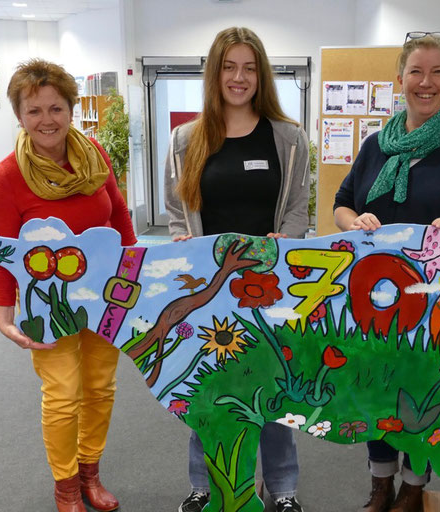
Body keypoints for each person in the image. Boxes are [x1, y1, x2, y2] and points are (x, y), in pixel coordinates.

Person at [334, 33, 440, 512]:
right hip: (377, 297)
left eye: (436, 72)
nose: (425, 83)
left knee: (427, 390)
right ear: (400, 79)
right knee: (379, 388)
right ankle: (380, 482)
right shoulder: (376, 146)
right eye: (416, 72)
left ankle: (414, 483)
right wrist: (358, 221)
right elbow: (341, 206)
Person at [163, 27, 309, 512]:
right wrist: (185, 243)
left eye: (249, 68)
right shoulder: (187, 139)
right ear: (215, 73)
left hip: (271, 285)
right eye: (229, 67)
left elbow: (297, 208)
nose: (239, 77)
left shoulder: (287, 137)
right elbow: (176, 209)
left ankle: (283, 489)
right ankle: (205, 486)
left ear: (261, 74)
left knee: (276, 389)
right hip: (209, 289)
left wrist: (284, 244)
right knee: (208, 391)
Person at [0, 58, 136, 512]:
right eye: (34, 111)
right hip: (45, 305)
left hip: (104, 294)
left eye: (55, 108)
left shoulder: (95, 156)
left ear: (71, 109)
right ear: (19, 116)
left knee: (99, 387)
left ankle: (90, 472)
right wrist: (2, 314)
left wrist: (133, 276)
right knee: (63, 394)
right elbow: (0, 250)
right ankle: (66, 485)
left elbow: (121, 220)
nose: (46, 120)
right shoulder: (8, 175)